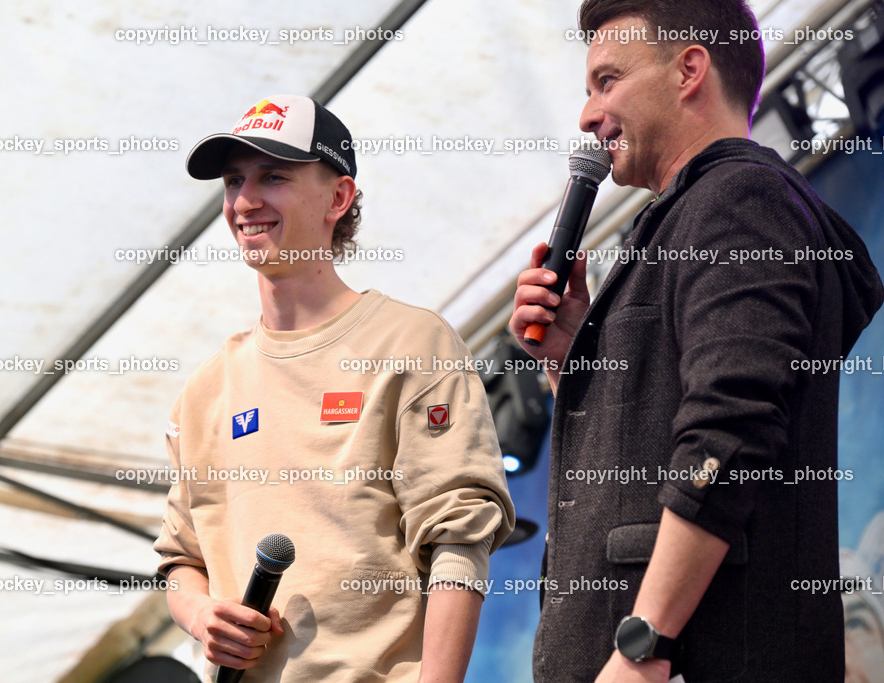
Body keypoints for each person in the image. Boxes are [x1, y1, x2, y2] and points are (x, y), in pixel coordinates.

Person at [509, 1, 884, 681]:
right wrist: (574, 362)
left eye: (607, 81)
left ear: (688, 70)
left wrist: (642, 642)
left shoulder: (739, 199)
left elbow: (729, 429)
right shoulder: (688, 219)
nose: (587, 115)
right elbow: (647, 447)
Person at [154, 94, 515, 682]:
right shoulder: (205, 390)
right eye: (233, 180)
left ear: (339, 197)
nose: (245, 201)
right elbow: (180, 559)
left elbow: (458, 535)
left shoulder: (411, 342)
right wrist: (201, 615)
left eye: (273, 176)